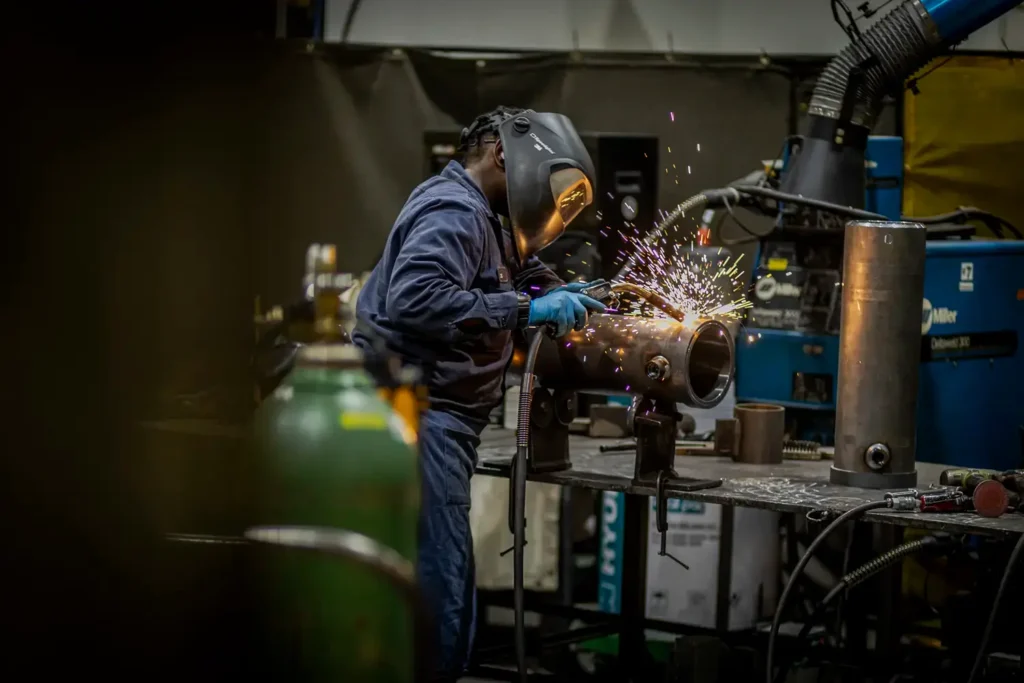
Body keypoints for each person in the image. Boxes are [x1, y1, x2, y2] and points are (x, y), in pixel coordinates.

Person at [353, 106, 603, 680]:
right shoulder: (454, 210)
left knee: (451, 589)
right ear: (501, 156)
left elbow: (512, 271)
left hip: (444, 424)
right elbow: (414, 300)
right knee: (440, 591)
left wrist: (557, 289)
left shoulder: (488, 218)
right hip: (422, 417)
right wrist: (525, 308)